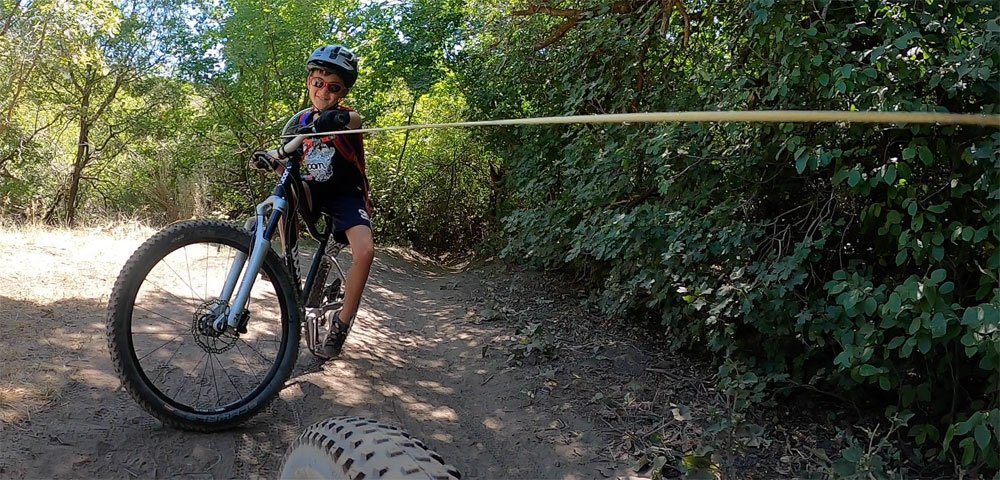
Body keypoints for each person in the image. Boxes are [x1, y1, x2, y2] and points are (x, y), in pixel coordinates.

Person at [251, 44, 374, 358]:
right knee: (284, 190)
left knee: (365, 251)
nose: (324, 91)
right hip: (313, 188)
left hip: (346, 194)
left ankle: (341, 324)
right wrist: (272, 160)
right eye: (318, 83)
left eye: (334, 87)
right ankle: (286, 265)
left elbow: (355, 120)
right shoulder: (302, 121)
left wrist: (334, 119)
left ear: (343, 92)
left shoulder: (345, 117)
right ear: (309, 83)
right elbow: (288, 163)